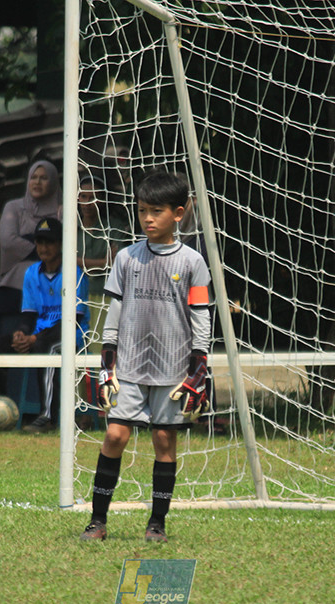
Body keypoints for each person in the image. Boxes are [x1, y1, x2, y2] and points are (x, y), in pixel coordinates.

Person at [79, 171, 212, 543]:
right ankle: (97, 521)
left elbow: (201, 316)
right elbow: (115, 312)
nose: (148, 218)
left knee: (164, 443)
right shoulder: (126, 258)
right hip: (130, 368)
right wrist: (108, 362)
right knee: (115, 436)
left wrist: (198, 367)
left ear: (179, 213)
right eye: (142, 211)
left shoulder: (192, 262)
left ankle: (157, 523)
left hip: (172, 370)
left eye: (157, 211)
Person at [0, 159, 62, 413]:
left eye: (44, 178)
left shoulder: (62, 211)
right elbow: (8, 242)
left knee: (40, 347)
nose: (38, 182)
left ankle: (36, 410)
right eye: (33, 177)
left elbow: (67, 245)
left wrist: (31, 243)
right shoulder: (14, 207)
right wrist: (45, 248)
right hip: (13, 290)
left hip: (49, 293)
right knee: (2, 346)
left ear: (53, 182)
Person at [0, 218, 90, 432]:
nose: (43, 248)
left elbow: (72, 321)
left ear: (60, 244)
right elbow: (28, 315)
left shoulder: (74, 273)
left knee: (45, 348)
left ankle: (47, 417)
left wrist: (35, 339)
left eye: (49, 242)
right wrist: (22, 333)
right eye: (39, 242)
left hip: (71, 336)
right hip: (38, 335)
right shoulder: (31, 273)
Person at [76, 175, 131, 351]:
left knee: (100, 351)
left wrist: (80, 262)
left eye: (93, 197)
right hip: (74, 297)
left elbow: (116, 263)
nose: (87, 202)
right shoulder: (71, 226)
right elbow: (65, 262)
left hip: (103, 296)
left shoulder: (114, 226)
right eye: (83, 196)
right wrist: (102, 262)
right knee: (75, 352)